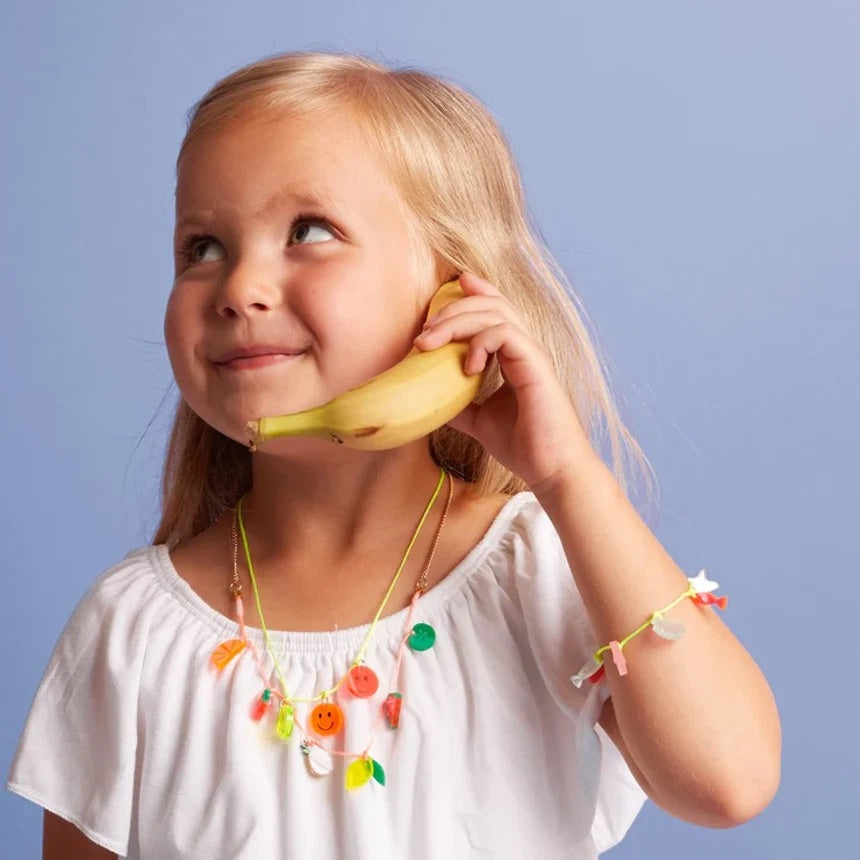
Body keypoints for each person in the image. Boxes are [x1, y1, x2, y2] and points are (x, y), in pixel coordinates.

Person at [7, 51, 781, 860]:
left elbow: (727, 782)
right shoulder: (132, 629)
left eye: (308, 232)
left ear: (452, 291)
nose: (238, 288)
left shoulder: (535, 569)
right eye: (202, 247)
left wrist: (567, 477)